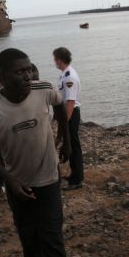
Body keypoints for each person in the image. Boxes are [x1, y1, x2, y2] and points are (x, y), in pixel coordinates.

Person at [0, 48, 71, 257]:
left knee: (52, 238)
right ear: (2, 77)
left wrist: (67, 141)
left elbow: (61, 106)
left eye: (29, 70)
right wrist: (7, 177)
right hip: (18, 185)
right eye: (20, 72)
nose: (28, 77)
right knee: (29, 239)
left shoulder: (44, 89)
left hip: (49, 178)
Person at [53, 47, 84, 190]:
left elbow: (70, 102)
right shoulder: (64, 74)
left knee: (73, 146)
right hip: (67, 113)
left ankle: (77, 179)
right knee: (69, 144)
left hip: (71, 113)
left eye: (55, 59)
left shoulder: (69, 76)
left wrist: (65, 122)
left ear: (59, 60)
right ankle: (73, 174)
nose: (54, 62)